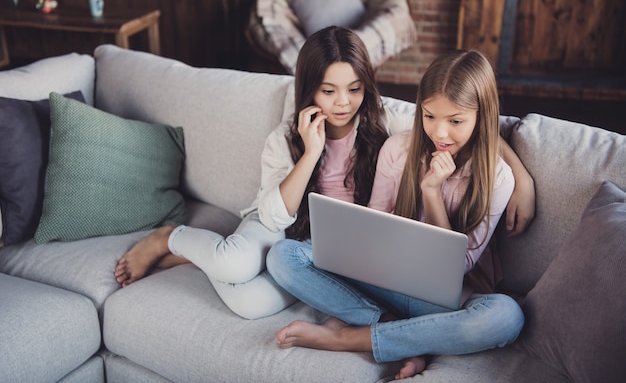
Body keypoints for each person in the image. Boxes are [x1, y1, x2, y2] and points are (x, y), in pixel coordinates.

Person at [114, 27, 534, 321]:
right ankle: (169, 237)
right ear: (310, 89)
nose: (342, 103)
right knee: (239, 261)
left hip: (320, 248)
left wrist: (520, 173)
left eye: (353, 89)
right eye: (328, 91)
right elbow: (275, 216)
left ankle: (191, 259)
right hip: (278, 226)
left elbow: (465, 122)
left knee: (251, 304)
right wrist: (311, 152)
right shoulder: (288, 138)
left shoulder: (379, 133)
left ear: (366, 87)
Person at [266, 49, 526, 380]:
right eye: (430, 116)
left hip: (442, 302)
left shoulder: (498, 177)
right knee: (282, 256)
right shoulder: (398, 150)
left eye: (456, 121)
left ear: (482, 117)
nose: (440, 134)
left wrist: (431, 192)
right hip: (383, 282)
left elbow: (457, 266)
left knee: (507, 316)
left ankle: (352, 337)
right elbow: (375, 227)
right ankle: (398, 332)